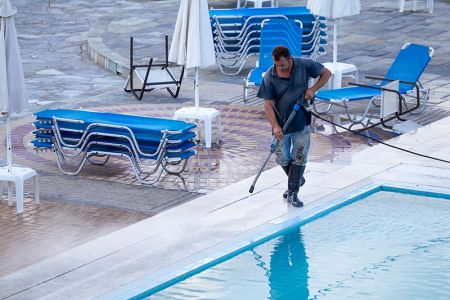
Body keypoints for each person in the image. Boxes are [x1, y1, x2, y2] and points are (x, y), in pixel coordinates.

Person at [257, 46, 331, 207]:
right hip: (281, 125)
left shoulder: (304, 65)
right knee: (281, 157)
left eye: (282, 65)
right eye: (277, 65)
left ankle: (293, 193)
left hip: (301, 122)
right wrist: (275, 127)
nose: (280, 68)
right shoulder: (270, 76)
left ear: (289, 59)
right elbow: (267, 105)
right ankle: (297, 179)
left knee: (299, 156)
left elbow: (327, 73)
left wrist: (312, 89)